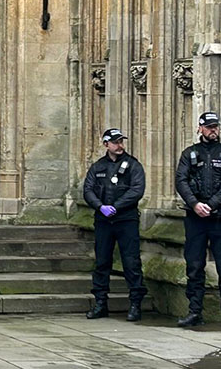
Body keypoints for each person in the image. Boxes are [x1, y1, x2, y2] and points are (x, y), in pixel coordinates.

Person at [175, 111, 221, 329]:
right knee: (194, 265)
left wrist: (211, 204)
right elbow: (181, 180)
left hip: (220, 217)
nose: (213, 130)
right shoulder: (189, 153)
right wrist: (195, 204)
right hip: (195, 218)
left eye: (216, 127)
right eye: (209, 127)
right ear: (200, 128)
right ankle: (195, 311)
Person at [81, 128, 148, 321]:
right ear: (106, 144)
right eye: (115, 142)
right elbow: (88, 190)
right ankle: (100, 303)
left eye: (121, 142)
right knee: (102, 262)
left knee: (131, 262)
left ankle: (135, 304)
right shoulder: (98, 167)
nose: (120, 145)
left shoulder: (133, 165)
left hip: (126, 219)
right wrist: (100, 206)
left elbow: (137, 190)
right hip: (104, 221)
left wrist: (116, 206)